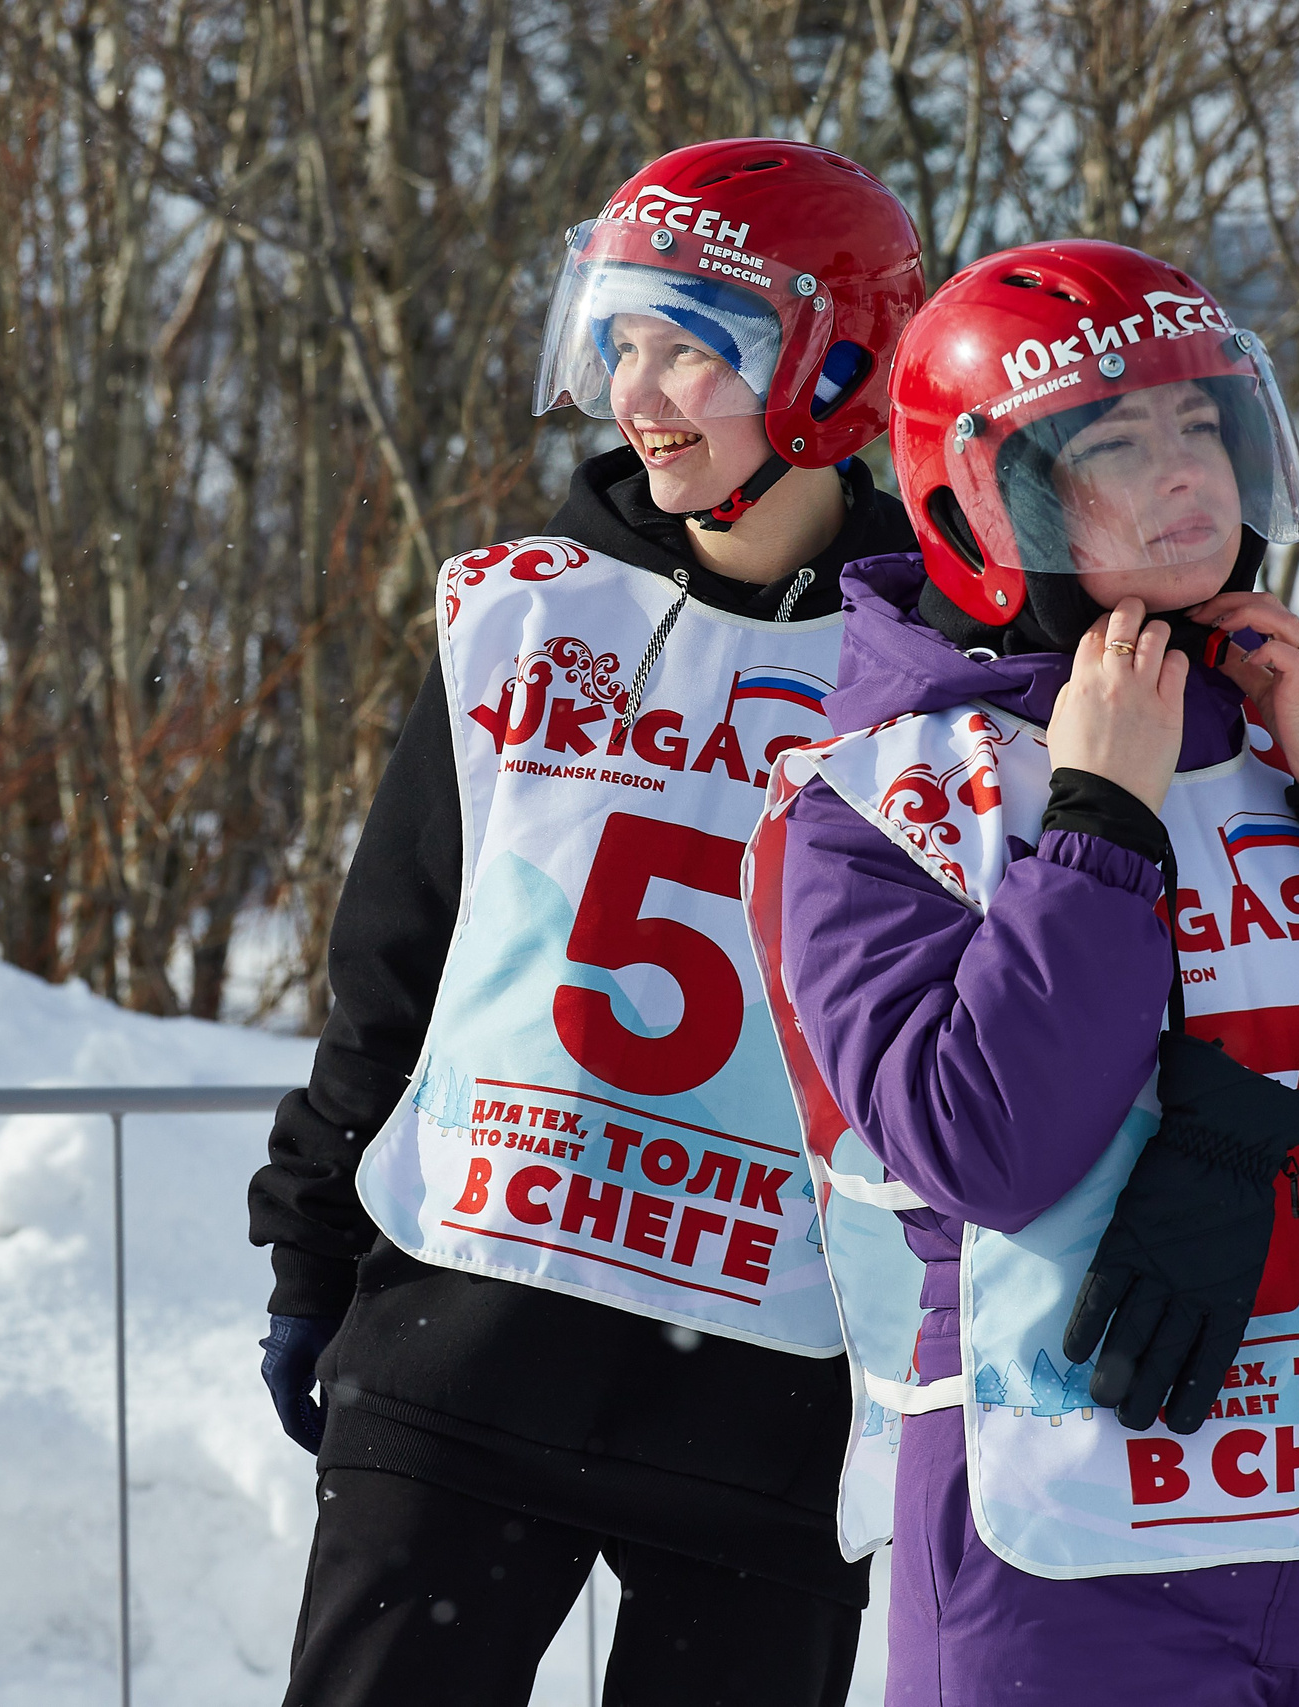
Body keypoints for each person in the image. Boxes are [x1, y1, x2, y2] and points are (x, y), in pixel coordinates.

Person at [738, 239, 1299, 1703]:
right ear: (984, 497)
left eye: (1203, 427)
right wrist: (1097, 826)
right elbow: (982, 1144)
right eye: (1117, 443)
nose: (1186, 478)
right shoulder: (880, 791)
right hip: (1069, 1531)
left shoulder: (1297, 732)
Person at [246, 138, 927, 1707]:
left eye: (691, 346)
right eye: (619, 341)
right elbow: (398, 965)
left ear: (830, 367)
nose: (641, 391)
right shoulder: (524, 612)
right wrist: (310, 1244)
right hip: (470, 1349)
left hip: (770, 1397)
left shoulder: (943, 671)